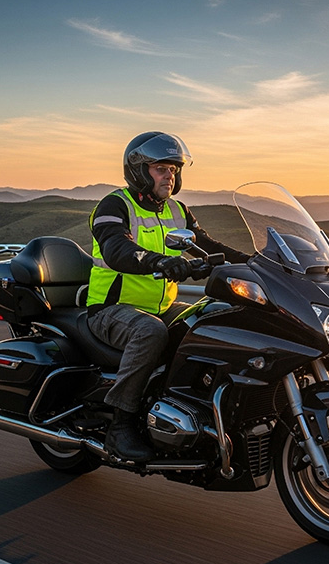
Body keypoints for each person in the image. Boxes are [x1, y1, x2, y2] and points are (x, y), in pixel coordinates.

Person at [86, 131, 250, 462]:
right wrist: (161, 262)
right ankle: (120, 424)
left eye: (173, 169)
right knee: (151, 332)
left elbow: (210, 245)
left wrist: (256, 263)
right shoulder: (115, 205)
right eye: (161, 168)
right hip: (112, 310)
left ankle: (196, 413)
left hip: (159, 308)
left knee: (212, 321)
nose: (169, 175)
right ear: (138, 170)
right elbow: (117, 249)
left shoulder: (177, 210)